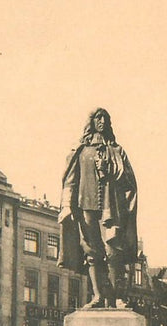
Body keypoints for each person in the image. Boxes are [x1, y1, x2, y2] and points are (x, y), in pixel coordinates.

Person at [58, 108, 138, 308]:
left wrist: (109, 170)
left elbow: (129, 181)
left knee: (113, 250)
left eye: (105, 118)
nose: (102, 121)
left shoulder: (117, 151)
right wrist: (67, 205)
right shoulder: (80, 151)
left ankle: (117, 297)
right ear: (91, 121)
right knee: (91, 252)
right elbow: (70, 180)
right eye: (98, 117)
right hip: (86, 206)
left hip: (111, 209)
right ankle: (98, 296)